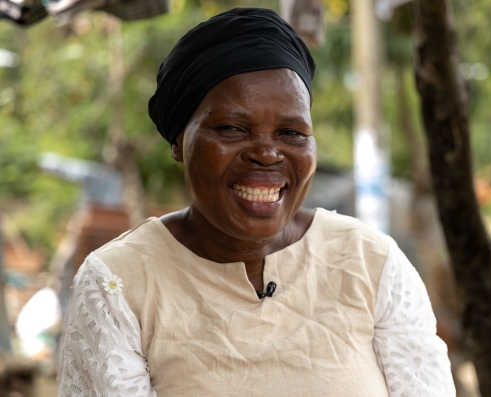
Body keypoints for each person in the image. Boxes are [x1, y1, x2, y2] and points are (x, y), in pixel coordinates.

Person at [57, 8, 455, 397]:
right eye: (232, 128)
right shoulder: (120, 284)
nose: (267, 153)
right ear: (179, 141)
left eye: (291, 132)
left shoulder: (370, 262)